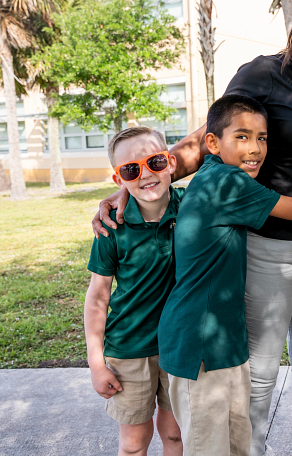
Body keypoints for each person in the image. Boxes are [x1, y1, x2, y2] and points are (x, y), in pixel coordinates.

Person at [93, 0, 292, 456]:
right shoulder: (267, 74)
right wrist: (143, 175)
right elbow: (214, 133)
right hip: (270, 242)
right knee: (264, 368)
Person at [157, 96, 292, 456]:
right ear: (212, 143)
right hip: (198, 343)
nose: (256, 148)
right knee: (209, 448)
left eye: (262, 138)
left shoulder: (212, 178)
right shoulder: (227, 182)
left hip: (222, 341)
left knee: (236, 445)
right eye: (242, 137)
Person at [84, 126, 183, 456]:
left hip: (179, 348)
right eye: (130, 169)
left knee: (174, 435)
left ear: (170, 162)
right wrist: (97, 363)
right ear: (118, 180)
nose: (144, 174)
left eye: (154, 161)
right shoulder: (111, 226)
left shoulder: (192, 208)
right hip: (129, 349)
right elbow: (98, 296)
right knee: (134, 442)